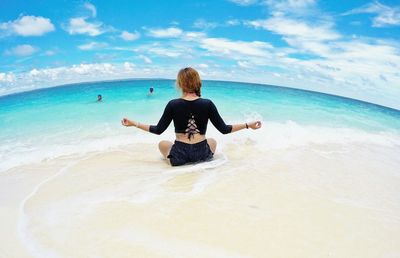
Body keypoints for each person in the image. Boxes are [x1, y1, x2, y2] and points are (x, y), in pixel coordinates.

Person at [121, 67, 262, 166]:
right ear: (197, 83)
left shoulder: (173, 104)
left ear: (180, 83)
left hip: (180, 156)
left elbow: (158, 130)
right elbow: (224, 129)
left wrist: (134, 123)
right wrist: (248, 125)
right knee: (212, 141)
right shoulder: (208, 103)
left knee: (162, 144)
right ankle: (202, 164)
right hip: (202, 154)